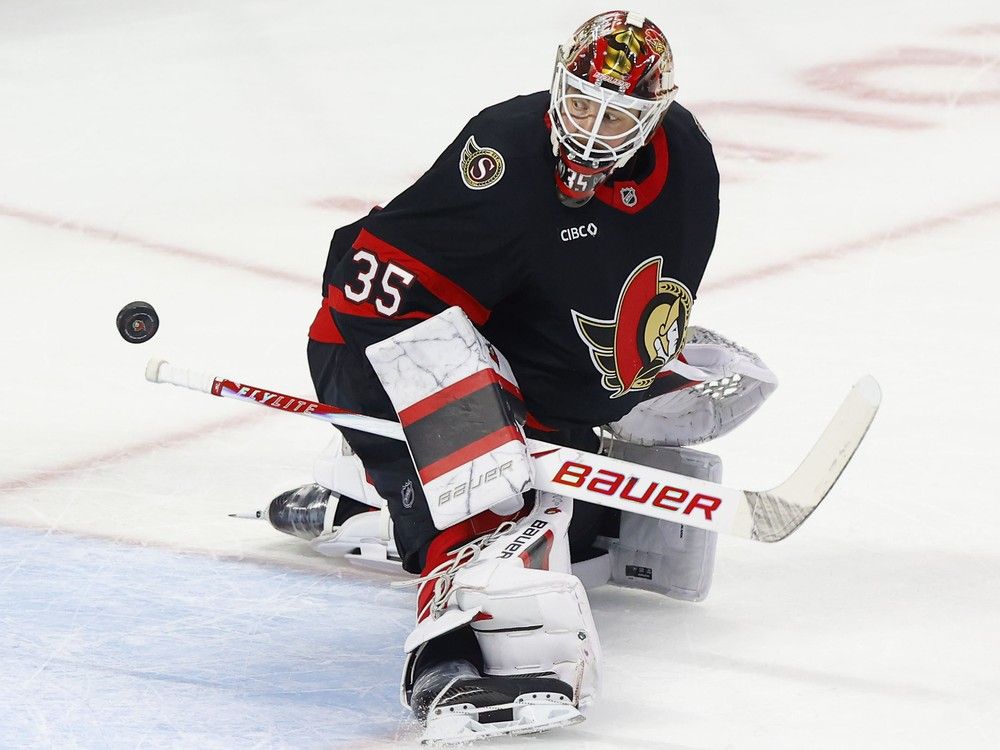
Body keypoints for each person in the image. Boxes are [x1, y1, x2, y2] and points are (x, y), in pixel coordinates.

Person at [290, 10, 777, 743]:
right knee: (480, 490)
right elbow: (363, 291)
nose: (588, 129)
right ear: (558, 81)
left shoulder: (689, 157)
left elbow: (616, 288)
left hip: (507, 350)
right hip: (376, 348)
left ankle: (369, 506)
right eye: (580, 101)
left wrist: (625, 382)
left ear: (656, 116)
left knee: (557, 532)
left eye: (617, 117)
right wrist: (469, 432)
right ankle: (448, 643)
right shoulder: (507, 152)